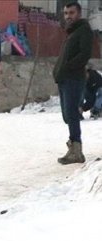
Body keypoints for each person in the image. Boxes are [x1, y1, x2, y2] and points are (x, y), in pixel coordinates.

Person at [53, 1, 93, 165]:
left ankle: (76, 150)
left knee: (71, 113)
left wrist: (68, 67)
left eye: (71, 13)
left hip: (74, 78)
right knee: (67, 114)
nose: (68, 16)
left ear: (79, 14)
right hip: (65, 78)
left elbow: (85, 54)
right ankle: (73, 146)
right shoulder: (71, 32)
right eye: (66, 13)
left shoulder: (83, 30)